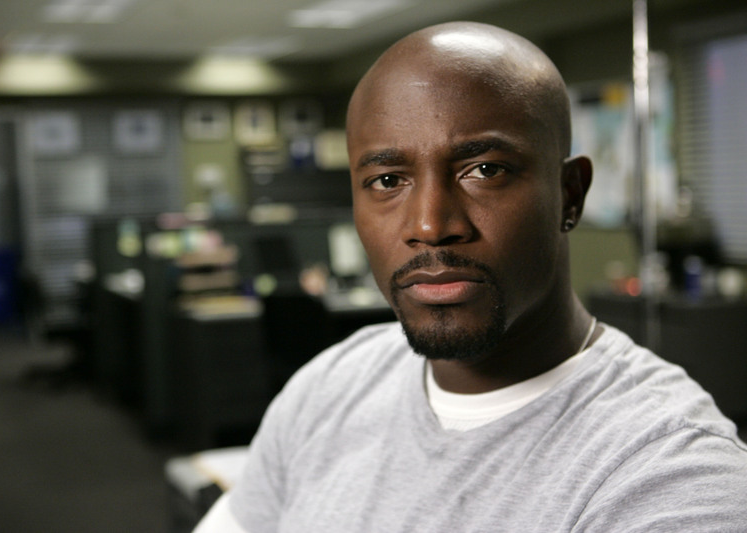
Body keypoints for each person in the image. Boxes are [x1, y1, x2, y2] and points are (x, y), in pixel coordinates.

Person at [194, 22, 747, 532]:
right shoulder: (331, 386)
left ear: (569, 196)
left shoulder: (671, 475)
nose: (430, 226)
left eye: (484, 170)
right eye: (388, 180)